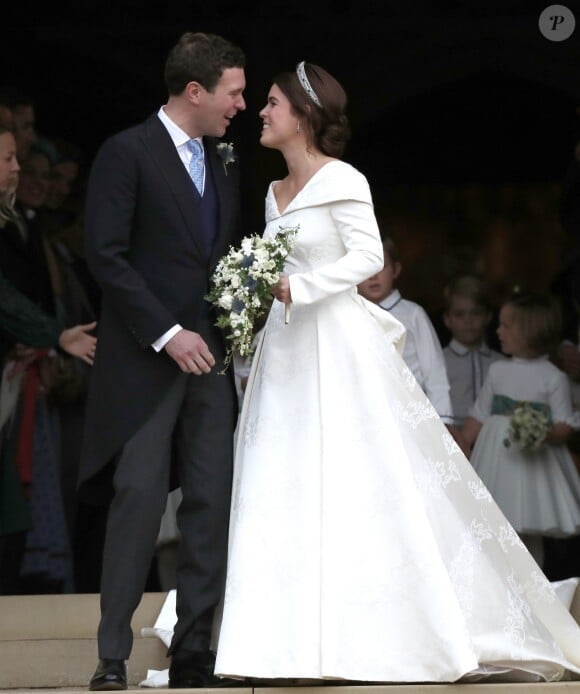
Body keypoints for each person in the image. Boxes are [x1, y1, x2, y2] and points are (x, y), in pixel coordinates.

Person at [214, 62, 580, 683]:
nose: (262, 112)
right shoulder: (272, 193)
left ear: (303, 114)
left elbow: (363, 256)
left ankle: (377, 629)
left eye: (272, 102)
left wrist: (300, 287)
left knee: (358, 477)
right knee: (282, 474)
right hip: (287, 350)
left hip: (335, 347)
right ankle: (280, 642)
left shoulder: (346, 179)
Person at [79, 32, 246, 690]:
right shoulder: (127, 152)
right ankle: (112, 654)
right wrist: (166, 332)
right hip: (147, 363)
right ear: (195, 91)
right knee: (139, 499)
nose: (241, 103)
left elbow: (217, 255)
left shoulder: (226, 158)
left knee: (211, 497)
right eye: (233, 91)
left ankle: (196, 649)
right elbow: (107, 256)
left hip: (210, 359)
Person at [461, 292, 580, 567]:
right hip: (497, 463)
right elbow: (479, 415)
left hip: (533, 468)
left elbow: (564, 424)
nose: (498, 331)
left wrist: (543, 434)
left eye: (506, 326)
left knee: (527, 532)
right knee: (495, 528)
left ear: (529, 331)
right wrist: (459, 446)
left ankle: (534, 595)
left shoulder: (553, 377)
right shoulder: (497, 370)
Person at [442, 274, 505, 427]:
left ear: (488, 316)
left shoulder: (502, 363)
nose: (468, 321)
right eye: (459, 314)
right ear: (447, 319)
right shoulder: (438, 361)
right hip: (451, 437)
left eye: (476, 313)